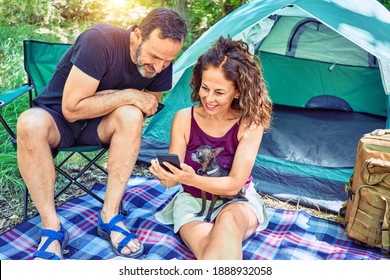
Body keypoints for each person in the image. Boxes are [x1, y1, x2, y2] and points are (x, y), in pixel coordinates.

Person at [16, 8, 187, 260]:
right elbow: (72, 109)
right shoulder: (100, 40)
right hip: (57, 120)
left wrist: (106, 98)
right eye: (155, 57)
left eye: (168, 61)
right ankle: (51, 227)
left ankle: (110, 216)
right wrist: (128, 95)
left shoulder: (161, 63)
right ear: (137, 35)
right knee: (29, 122)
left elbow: (148, 105)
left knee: (132, 115)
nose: (160, 67)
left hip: (101, 126)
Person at [149, 36, 272, 260]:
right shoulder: (184, 119)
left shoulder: (249, 124)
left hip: (238, 200)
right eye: (205, 88)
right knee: (209, 250)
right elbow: (171, 181)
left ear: (237, 91)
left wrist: (192, 178)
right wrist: (163, 175)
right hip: (193, 201)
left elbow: (234, 185)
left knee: (228, 223)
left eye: (219, 92)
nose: (209, 98)